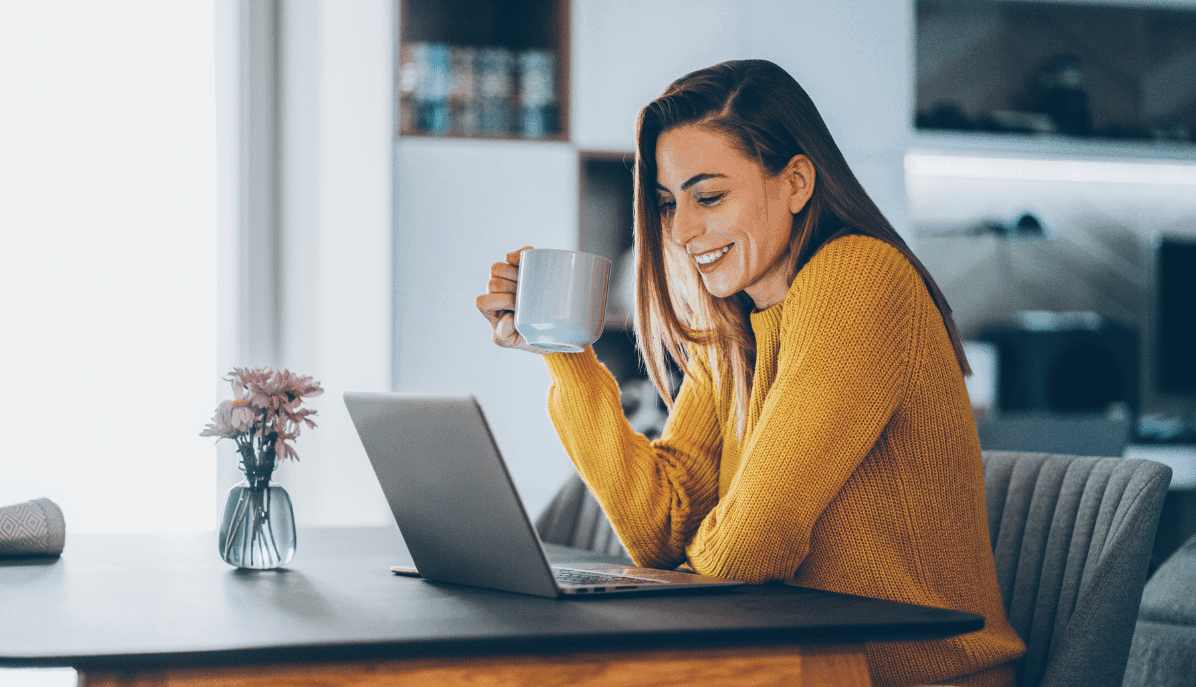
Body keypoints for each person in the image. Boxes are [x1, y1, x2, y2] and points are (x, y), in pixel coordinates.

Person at [475, 60, 1025, 687]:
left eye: (709, 197)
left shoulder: (859, 276)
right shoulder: (736, 323)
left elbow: (756, 539)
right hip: (795, 665)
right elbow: (662, 528)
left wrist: (661, 598)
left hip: (914, 677)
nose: (681, 231)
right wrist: (564, 350)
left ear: (796, 183)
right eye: (667, 203)